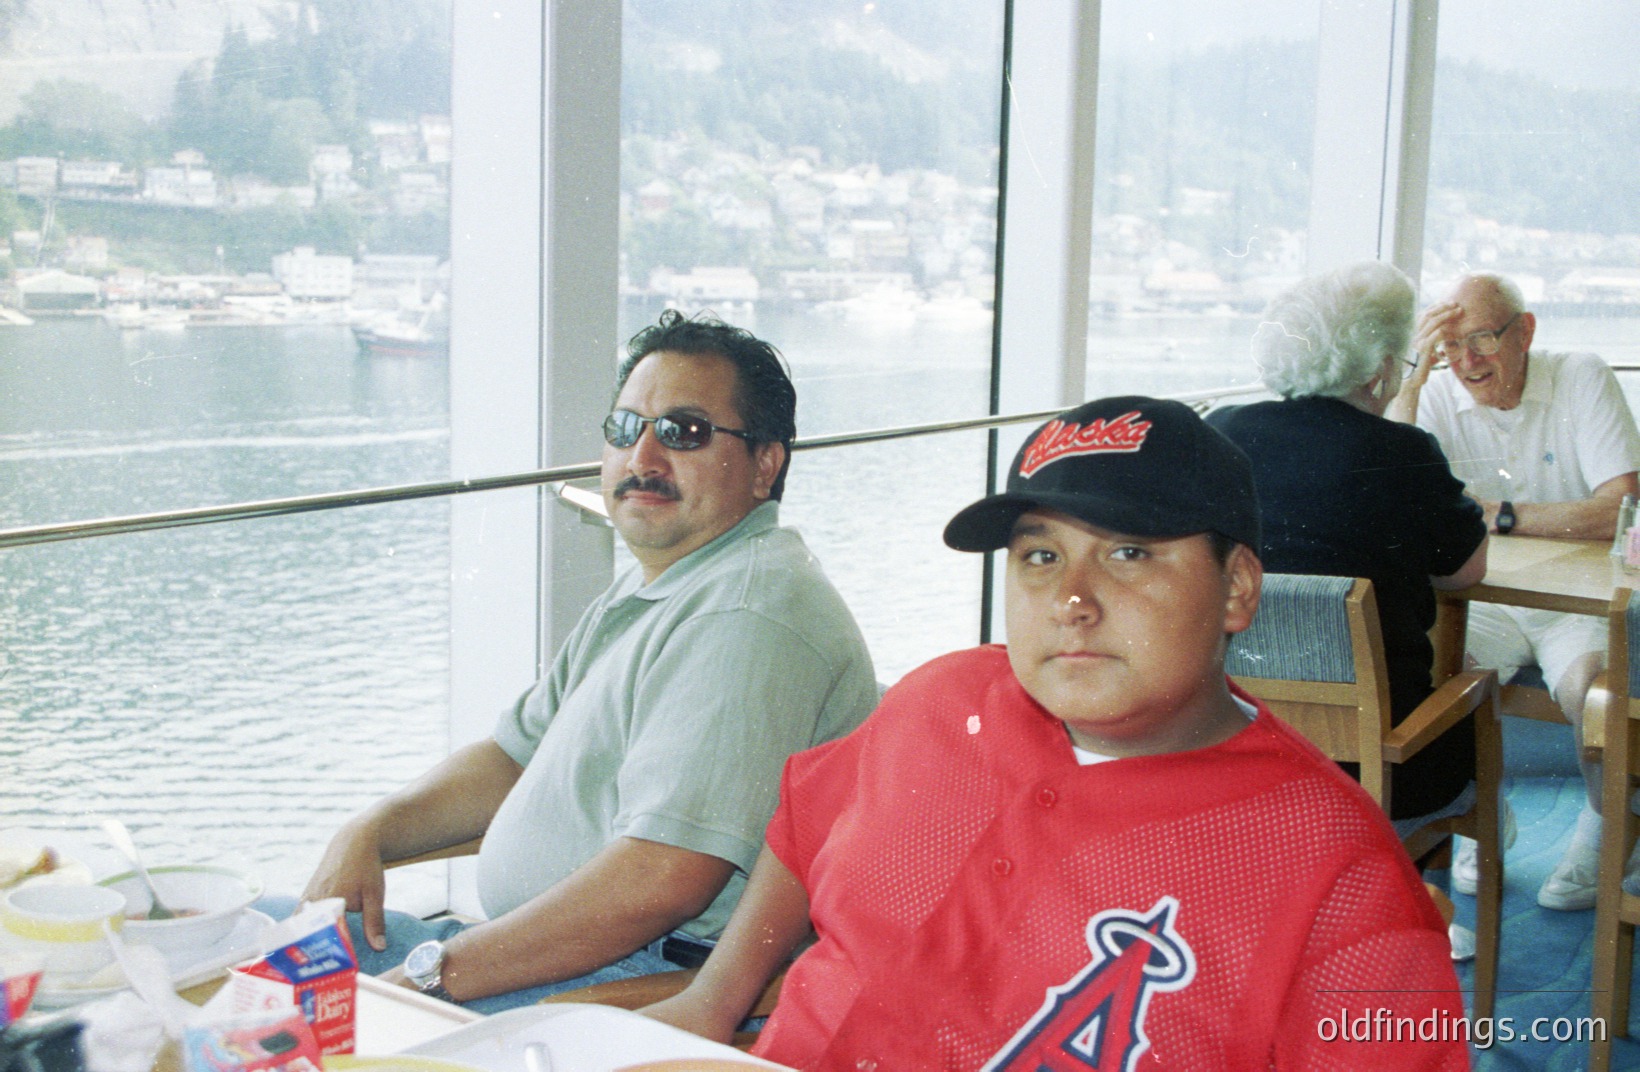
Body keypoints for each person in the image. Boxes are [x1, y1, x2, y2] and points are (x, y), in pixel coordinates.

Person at [642, 396, 1468, 1070]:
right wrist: (713, 999)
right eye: (1040, 557)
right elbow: (805, 830)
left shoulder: (1337, 876)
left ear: (1237, 589)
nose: (1073, 600)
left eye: (1130, 554)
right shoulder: (942, 700)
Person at [299, 310, 879, 1011]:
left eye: (684, 432)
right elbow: (511, 759)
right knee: (256, 954)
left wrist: (429, 980)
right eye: (626, 428)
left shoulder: (747, 614)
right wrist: (372, 828)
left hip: (619, 987)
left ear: (765, 466)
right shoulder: (668, 583)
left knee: (266, 1006)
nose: (642, 459)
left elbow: (663, 880)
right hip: (524, 956)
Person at [1207, 261, 1488, 828]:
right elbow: (1465, 573)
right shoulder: (1404, 451)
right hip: (1378, 776)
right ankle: (1420, 874)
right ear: (1382, 369)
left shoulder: (1220, 433)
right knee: (1476, 681)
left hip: (1237, 757)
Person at [1394, 272, 1640, 911]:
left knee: (1590, 693)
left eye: (1482, 338)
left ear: (1525, 331)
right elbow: (1391, 484)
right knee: (1434, 678)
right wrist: (1412, 383)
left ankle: (1606, 824)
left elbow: (1619, 509)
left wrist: (1500, 515)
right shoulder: (1435, 394)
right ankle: (1484, 808)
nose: (1467, 362)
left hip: (1576, 602)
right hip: (1484, 598)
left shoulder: (1580, 376)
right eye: (1450, 346)